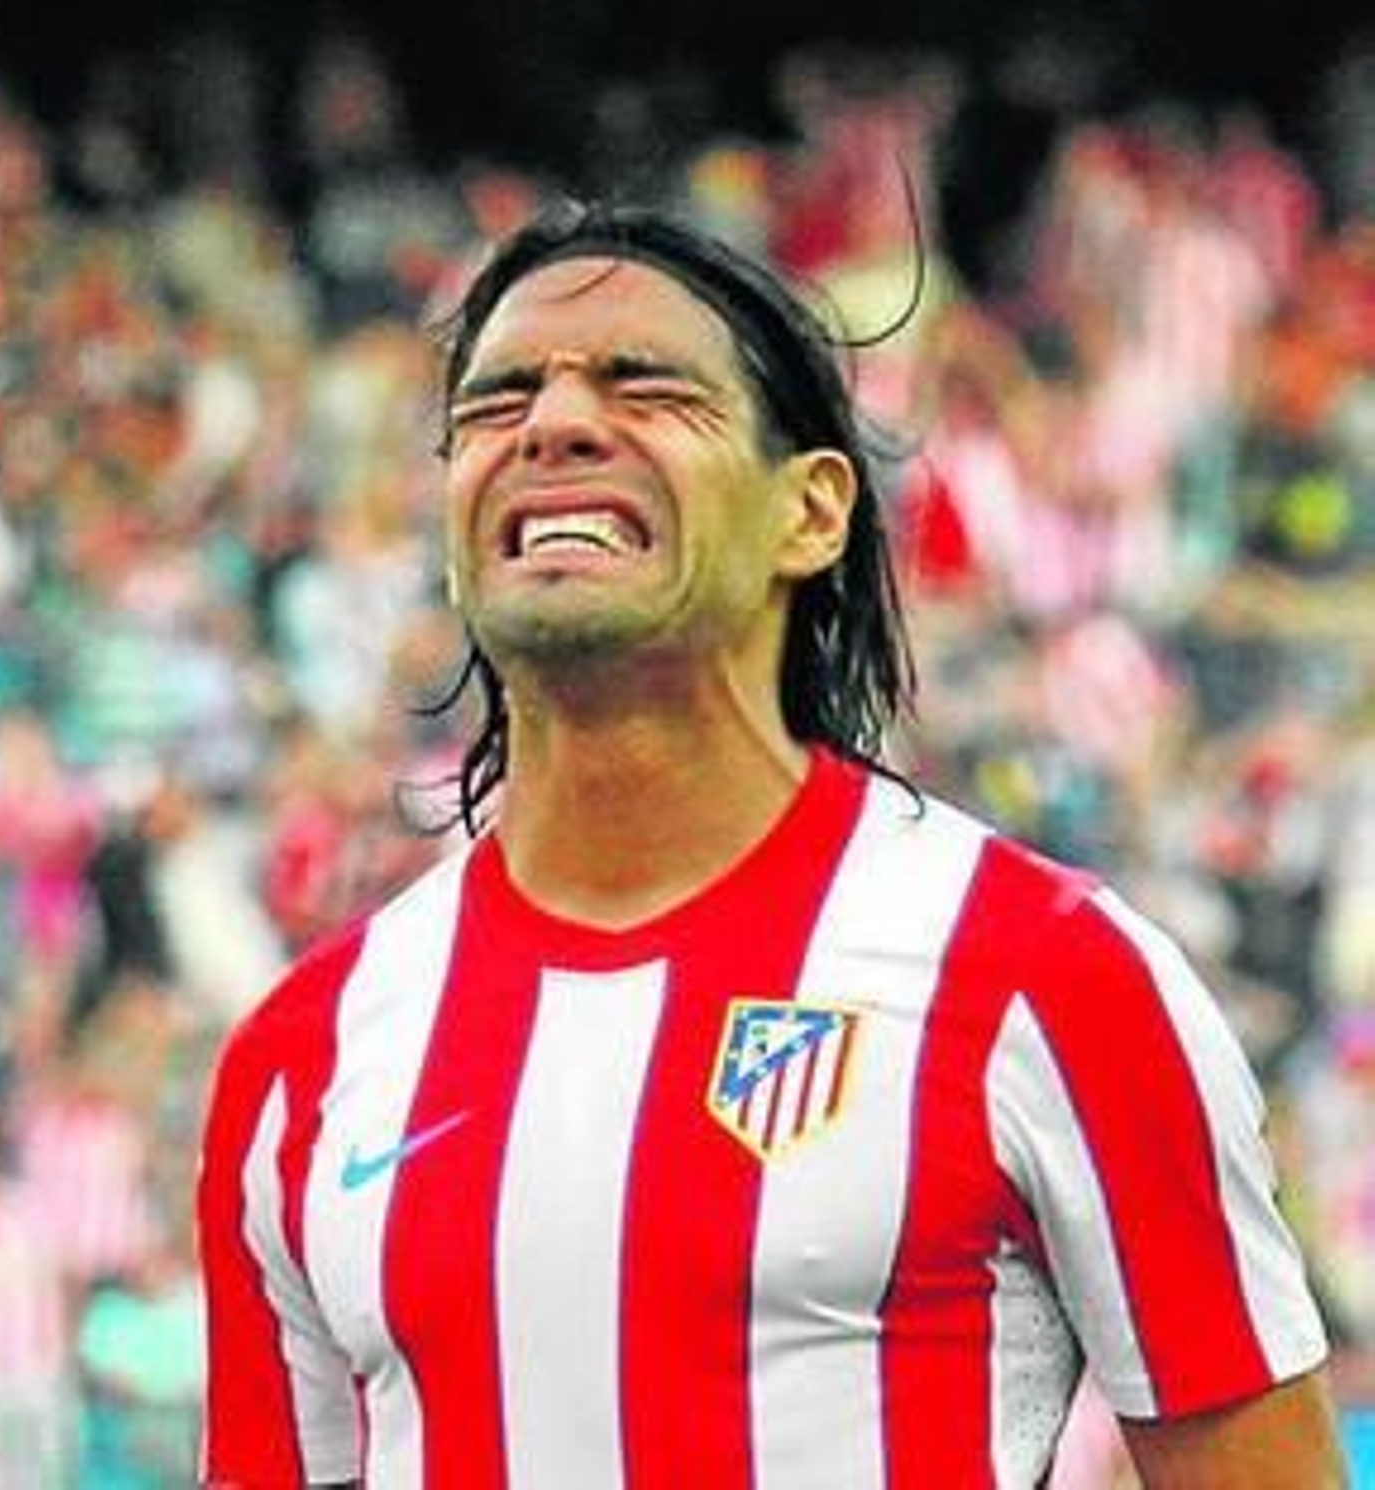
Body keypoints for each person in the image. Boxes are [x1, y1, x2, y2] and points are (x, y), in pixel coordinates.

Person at [196, 201, 1347, 1488]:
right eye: (494, 402)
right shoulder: (305, 1056)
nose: (553, 424)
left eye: (646, 387)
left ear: (810, 512)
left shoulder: (1051, 976)